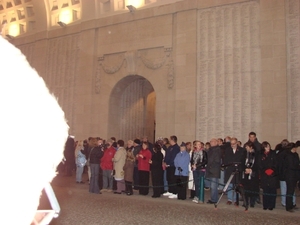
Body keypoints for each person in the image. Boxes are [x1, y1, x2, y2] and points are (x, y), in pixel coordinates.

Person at [223, 137, 244, 205]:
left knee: (236, 185)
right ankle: (229, 199)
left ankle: (235, 199)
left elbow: (242, 160)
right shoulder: (227, 150)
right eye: (231, 144)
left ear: (237, 143)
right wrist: (227, 166)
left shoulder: (241, 150)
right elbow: (225, 159)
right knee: (229, 184)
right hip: (229, 169)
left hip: (238, 169)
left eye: (234, 144)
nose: (232, 145)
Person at [259, 141, 278, 210]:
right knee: (266, 190)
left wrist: (272, 170)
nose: (268, 148)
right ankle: (265, 204)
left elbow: (276, 163)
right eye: (266, 147)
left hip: (272, 174)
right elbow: (260, 164)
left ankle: (271, 205)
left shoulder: (273, 154)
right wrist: (265, 170)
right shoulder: (261, 155)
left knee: (272, 190)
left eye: (269, 146)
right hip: (265, 174)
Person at [241, 141, 259, 209]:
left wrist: (251, 169)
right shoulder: (244, 154)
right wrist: (245, 169)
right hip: (245, 173)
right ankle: (246, 202)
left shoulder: (256, 154)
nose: (246, 148)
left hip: (253, 174)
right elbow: (242, 162)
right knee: (245, 188)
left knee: (253, 188)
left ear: (251, 147)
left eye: (247, 147)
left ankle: (252, 202)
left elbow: (257, 164)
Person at [283, 143, 300, 212]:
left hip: (295, 175)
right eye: (295, 148)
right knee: (289, 191)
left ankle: (292, 204)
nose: (296, 149)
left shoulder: (295, 155)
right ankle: (288, 206)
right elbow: (291, 165)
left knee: (292, 191)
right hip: (290, 175)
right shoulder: (288, 155)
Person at [206, 138, 221, 204]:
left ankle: (214, 199)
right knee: (211, 185)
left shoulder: (218, 150)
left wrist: (210, 164)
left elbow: (217, 160)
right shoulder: (210, 150)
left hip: (214, 170)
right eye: (210, 141)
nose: (211, 143)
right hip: (210, 169)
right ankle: (213, 198)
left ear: (216, 142)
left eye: (212, 141)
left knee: (214, 185)